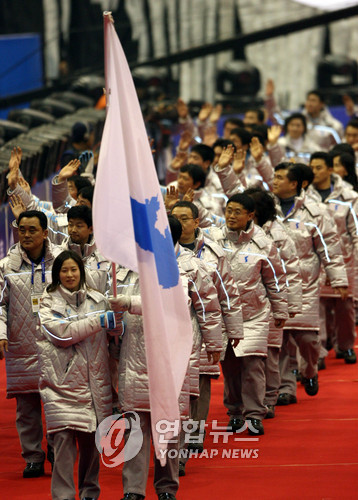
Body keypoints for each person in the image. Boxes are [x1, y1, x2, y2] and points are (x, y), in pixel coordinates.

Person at [111, 216, 222, 500]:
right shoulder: (127, 269)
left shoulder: (185, 271)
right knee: (134, 425)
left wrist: (214, 342)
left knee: (169, 426)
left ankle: (166, 487)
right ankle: (133, 489)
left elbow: (190, 306)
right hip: (135, 354)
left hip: (172, 356)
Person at [37, 250, 120, 500]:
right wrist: (100, 322)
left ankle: (89, 493)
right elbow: (61, 335)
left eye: (74, 269)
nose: (70, 274)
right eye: (64, 270)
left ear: (81, 272)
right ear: (57, 273)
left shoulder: (98, 299)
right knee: (62, 443)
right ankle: (63, 495)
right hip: (60, 385)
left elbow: (111, 339)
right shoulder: (47, 301)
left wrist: (117, 330)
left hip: (96, 382)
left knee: (91, 446)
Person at [206, 193, 288, 435]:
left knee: (253, 364)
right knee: (230, 366)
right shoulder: (213, 239)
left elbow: (275, 280)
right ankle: (234, 412)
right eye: (228, 210)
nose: (231, 215)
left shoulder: (264, 244)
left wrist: (280, 308)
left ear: (250, 216)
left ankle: (254, 415)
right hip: (224, 313)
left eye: (237, 211)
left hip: (255, 315)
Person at [171, 201, 243, 472]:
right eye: (174, 218)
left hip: (202, 327)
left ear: (196, 222)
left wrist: (233, 329)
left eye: (183, 218)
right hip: (172, 331)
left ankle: (194, 434)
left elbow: (226, 292)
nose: (179, 223)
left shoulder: (212, 251)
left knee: (199, 382)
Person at [272, 163, 348, 404]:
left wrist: (338, 279)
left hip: (305, 283)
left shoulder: (315, 212)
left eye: (280, 177)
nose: (274, 180)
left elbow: (329, 248)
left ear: (295, 183)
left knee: (308, 340)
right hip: (275, 284)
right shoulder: (267, 208)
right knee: (280, 340)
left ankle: (309, 370)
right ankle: (286, 388)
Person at [0, 210, 61, 478]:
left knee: (59, 404)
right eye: (21, 229)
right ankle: (33, 457)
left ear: (45, 233)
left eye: (32, 230)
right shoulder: (6, 266)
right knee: (26, 409)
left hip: (58, 345)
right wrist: (1, 333)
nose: (25, 234)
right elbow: (0, 306)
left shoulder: (62, 261)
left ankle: (58, 450)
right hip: (22, 346)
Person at [244, 187, 302, 418]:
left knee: (269, 353)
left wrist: (290, 306)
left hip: (269, 304)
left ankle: (269, 399)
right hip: (243, 307)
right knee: (244, 360)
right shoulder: (231, 235)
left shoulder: (278, 236)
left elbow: (292, 272)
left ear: (255, 212)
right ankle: (243, 404)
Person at [309, 152, 357, 365]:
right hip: (315, 260)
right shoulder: (304, 195)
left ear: (330, 169)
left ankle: (346, 346)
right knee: (315, 306)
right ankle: (318, 351)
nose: (314, 171)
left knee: (345, 306)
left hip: (343, 260)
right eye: (311, 167)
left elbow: (356, 231)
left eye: (318, 167)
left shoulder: (349, 196)